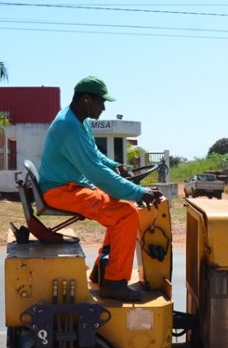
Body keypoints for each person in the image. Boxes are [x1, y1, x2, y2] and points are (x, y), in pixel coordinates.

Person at [38, 76, 162, 302]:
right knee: (126, 214)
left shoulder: (79, 121)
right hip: (60, 191)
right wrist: (138, 192)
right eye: (101, 102)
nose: (103, 108)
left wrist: (116, 166)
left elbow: (94, 155)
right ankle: (114, 284)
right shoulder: (68, 127)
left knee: (120, 207)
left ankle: (101, 270)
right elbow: (94, 171)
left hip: (71, 185)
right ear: (86, 99)